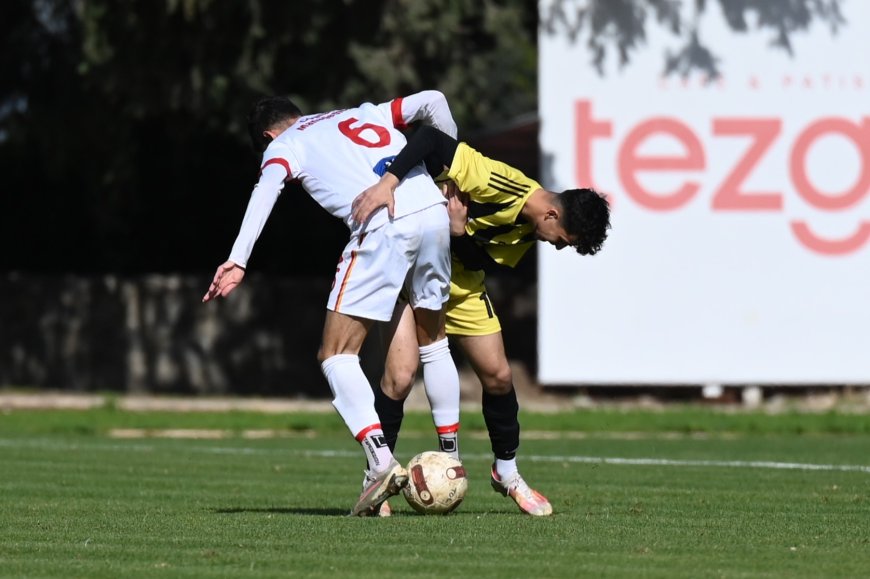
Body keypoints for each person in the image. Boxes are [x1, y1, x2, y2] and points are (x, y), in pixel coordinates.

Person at [203, 91, 463, 516]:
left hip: (385, 225)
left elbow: (265, 190)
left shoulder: (285, 145)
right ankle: (451, 460)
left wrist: (238, 259)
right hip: (432, 213)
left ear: (268, 135)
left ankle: (380, 462)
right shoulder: (360, 113)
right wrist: (445, 171)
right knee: (434, 345)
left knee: (336, 354)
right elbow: (434, 100)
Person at [352, 124, 611, 517]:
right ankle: (375, 478)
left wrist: (457, 232)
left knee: (499, 376)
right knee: (400, 378)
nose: (556, 246)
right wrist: (389, 182)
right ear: (553, 214)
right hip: (413, 275)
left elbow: (479, 261)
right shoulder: (496, 182)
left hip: (463, 289)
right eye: (561, 240)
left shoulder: (528, 225)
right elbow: (429, 139)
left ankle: (506, 472)